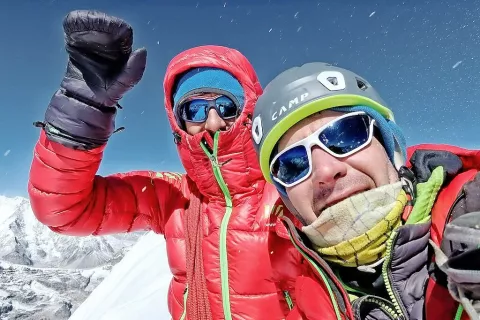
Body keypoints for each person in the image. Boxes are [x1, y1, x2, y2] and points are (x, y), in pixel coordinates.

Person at [28, 10, 308, 320]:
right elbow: (64, 209)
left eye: (227, 106)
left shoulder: (294, 187)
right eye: (196, 109)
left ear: (250, 111)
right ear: (178, 124)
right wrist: (84, 105)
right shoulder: (172, 197)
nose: (213, 122)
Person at [251, 62, 480, 320]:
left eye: (347, 135)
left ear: (388, 146)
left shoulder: (472, 205)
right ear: (289, 200)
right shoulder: (305, 313)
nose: (326, 170)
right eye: (293, 164)